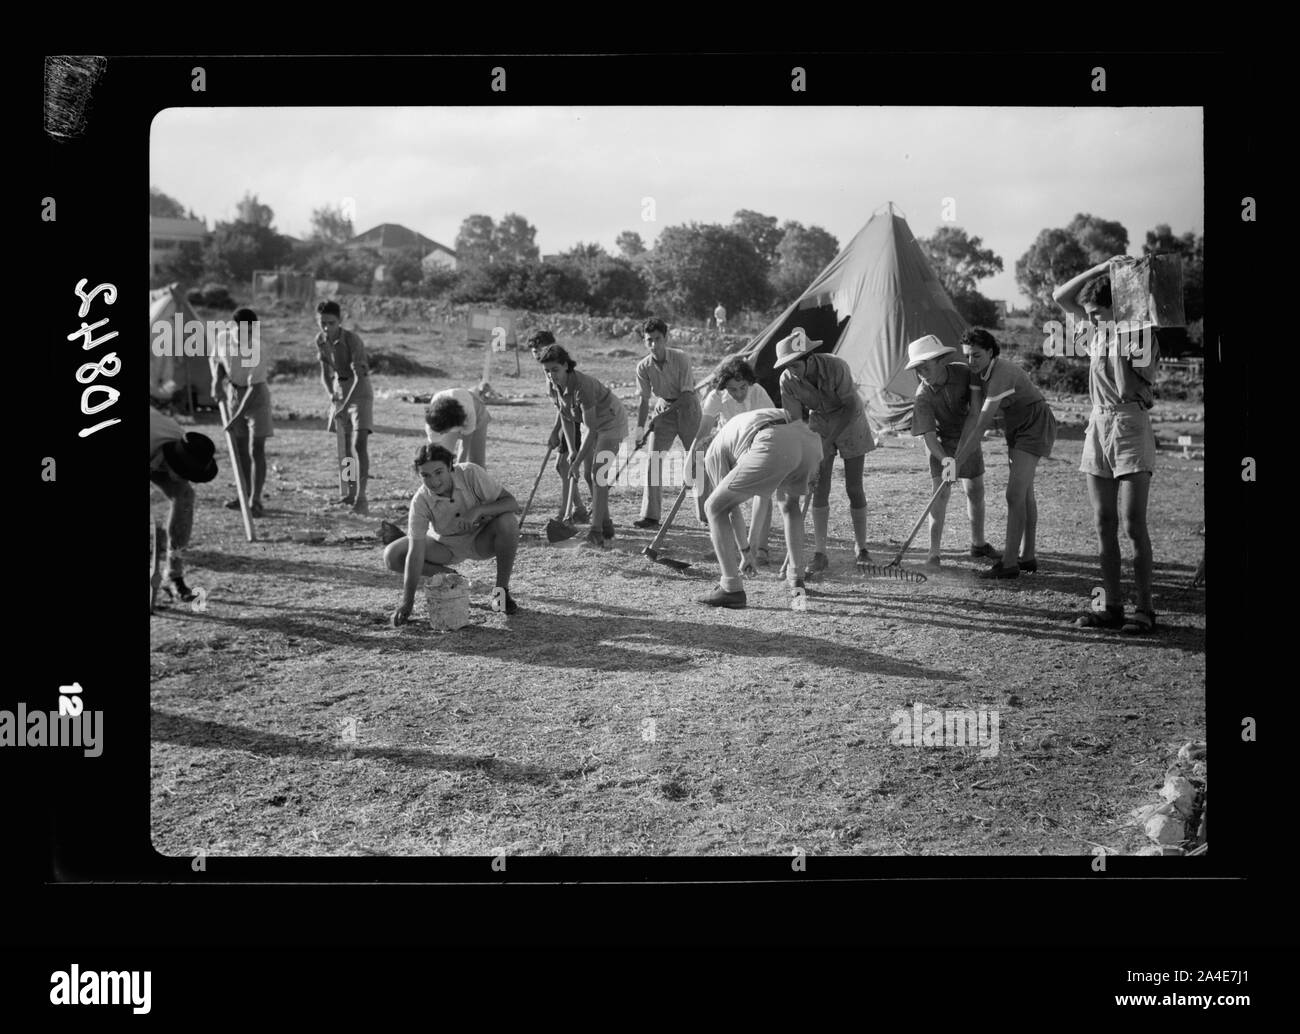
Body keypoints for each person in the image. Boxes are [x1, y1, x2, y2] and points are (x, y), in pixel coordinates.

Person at [1053, 257, 1161, 632]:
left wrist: (1119, 338)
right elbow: (1060, 296)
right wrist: (1102, 268)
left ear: (1117, 308)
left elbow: (1128, 388)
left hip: (1129, 425)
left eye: (1097, 313)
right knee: (1103, 522)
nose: (1091, 321)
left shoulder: (1142, 336)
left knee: (1133, 524)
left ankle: (1144, 609)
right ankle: (1111, 606)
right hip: (1098, 425)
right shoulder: (1097, 333)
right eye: (1089, 316)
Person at [952, 328, 1058, 579]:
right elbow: (973, 415)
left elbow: (982, 425)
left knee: (1014, 494)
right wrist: (956, 458)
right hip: (1016, 425)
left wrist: (957, 464)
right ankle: (1027, 557)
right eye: (967, 356)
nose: (971, 361)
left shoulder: (1002, 373)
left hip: (1035, 422)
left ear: (990, 352)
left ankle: (1009, 563)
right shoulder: (976, 373)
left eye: (976, 355)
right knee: (1024, 493)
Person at [774, 327, 876, 576]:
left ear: (809, 359)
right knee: (819, 487)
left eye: (795, 365)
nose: (791, 371)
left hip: (850, 420)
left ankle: (862, 548)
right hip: (819, 422)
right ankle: (820, 553)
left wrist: (829, 440)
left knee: (854, 487)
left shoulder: (836, 366)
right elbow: (795, 421)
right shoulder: (787, 380)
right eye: (787, 366)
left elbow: (850, 406)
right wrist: (809, 449)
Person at [697, 408, 823, 609]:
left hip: (772, 439)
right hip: (809, 439)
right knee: (790, 505)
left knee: (713, 507)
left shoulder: (712, 453)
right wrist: (749, 549)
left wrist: (746, 551)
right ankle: (796, 578)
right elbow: (761, 498)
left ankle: (730, 587)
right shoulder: (737, 430)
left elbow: (729, 511)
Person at [386, 444, 521, 623]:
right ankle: (451, 577)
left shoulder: (470, 473)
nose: (434, 481)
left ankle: (501, 593)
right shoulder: (420, 500)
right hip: (444, 546)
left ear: (450, 466)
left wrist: (478, 510)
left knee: (508, 521)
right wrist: (407, 603)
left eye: (439, 472)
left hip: (481, 540)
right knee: (392, 555)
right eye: (425, 475)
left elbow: (511, 503)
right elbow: (415, 553)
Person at [905, 335, 999, 568]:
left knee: (975, 490)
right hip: (940, 443)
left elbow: (977, 409)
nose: (922, 373)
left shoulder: (964, 373)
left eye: (925, 367)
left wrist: (964, 447)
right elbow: (929, 437)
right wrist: (946, 460)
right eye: (918, 369)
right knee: (940, 493)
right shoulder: (923, 396)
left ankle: (978, 544)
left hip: (968, 435)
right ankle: (934, 553)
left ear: (940, 361)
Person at [538, 344, 629, 548]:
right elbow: (566, 417)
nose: (551, 375)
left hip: (611, 421)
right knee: (589, 476)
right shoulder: (553, 385)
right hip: (590, 425)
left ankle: (596, 532)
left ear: (566, 365)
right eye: (547, 371)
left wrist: (576, 462)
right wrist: (572, 450)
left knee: (597, 474)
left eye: (555, 370)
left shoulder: (582, 386)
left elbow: (592, 429)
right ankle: (606, 525)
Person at [693, 356, 777, 563]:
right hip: (728, 447)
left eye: (742, 388)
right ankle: (726, 546)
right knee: (723, 498)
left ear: (749, 383)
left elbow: (773, 423)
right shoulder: (715, 395)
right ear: (724, 387)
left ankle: (760, 548)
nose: (739, 393)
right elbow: (704, 428)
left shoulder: (758, 392)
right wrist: (691, 457)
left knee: (762, 494)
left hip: (757, 446)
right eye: (732, 389)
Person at [634, 317, 702, 530]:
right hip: (663, 408)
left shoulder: (681, 358)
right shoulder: (643, 367)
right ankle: (650, 515)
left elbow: (687, 395)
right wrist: (639, 431)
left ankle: (706, 512)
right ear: (644, 341)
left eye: (658, 339)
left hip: (688, 408)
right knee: (653, 461)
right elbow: (643, 401)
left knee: (697, 460)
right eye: (649, 340)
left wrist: (661, 415)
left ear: (665, 338)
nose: (654, 344)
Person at [149, 405, 218, 602]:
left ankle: (174, 575)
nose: (188, 478)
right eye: (185, 474)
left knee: (185, 496)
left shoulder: (183, 444)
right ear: (175, 463)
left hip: (158, 451)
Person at [211, 306, 271, 518]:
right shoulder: (223, 339)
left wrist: (236, 417)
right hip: (234, 393)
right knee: (240, 448)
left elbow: (254, 386)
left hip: (256, 397)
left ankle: (256, 499)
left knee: (256, 448)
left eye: (250, 331)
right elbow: (218, 362)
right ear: (233, 326)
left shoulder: (257, 347)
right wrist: (216, 383)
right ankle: (244, 495)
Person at [315, 300, 373, 514]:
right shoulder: (320, 340)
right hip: (340, 391)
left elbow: (359, 377)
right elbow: (324, 373)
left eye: (331, 323)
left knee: (359, 444)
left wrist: (345, 404)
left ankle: (361, 497)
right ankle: (350, 492)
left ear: (340, 321)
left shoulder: (352, 340)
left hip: (359, 392)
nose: (326, 327)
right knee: (345, 448)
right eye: (322, 323)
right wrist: (331, 394)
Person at [530, 330, 591, 524]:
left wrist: (556, 431)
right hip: (565, 420)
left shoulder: (559, 371)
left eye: (540, 349)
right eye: (534, 351)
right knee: (562, 466)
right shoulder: (548, 372)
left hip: (574, 421)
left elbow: (566, 406)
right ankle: (579, 508)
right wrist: (556, 430)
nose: (537, 354)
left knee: (564, 465)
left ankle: (567, 513)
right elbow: (559, 406)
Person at [425, 386, 491, 467]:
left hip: (476, 412)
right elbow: (433, 449)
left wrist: (458, 467)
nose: (442, 434)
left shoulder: (468, 411)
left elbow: (465, 445)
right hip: (450, 413)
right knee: (443, 457)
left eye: (443, 431)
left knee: (476, 463)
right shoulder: (433, 420)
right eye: (440, 432)